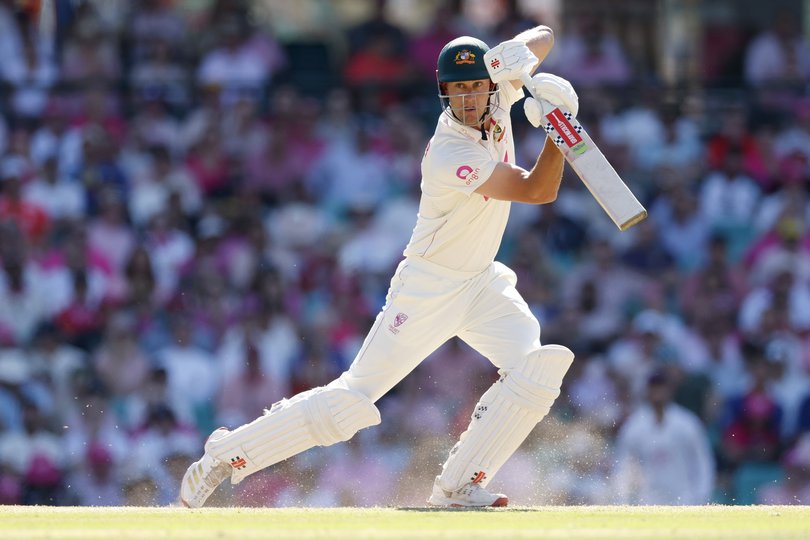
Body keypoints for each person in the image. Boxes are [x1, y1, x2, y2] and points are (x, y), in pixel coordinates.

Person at [180, 25, 579, 508]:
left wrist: (515, 56)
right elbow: (539, 190)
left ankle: (458, 487)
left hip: (480, 282)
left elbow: (546, 35)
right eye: (457, 90)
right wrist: (558, 126)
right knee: (351, 402)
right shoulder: (450, 153)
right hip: (428, 287)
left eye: (476, 86)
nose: (470, 99)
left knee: (535, 371)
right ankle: (225, 455)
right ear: (444, 95)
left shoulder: (497, 95)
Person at [613, 369, 715, 505]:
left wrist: (701, 496)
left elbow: (702, 462)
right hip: (648, 503)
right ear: (647, 390)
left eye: (661, 386)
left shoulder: (687, 423)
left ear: (670, 389)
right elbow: (623, 465)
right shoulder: (634, 427)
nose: (658, 391)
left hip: (684, 500)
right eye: (654, 387)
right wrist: (625, 501)